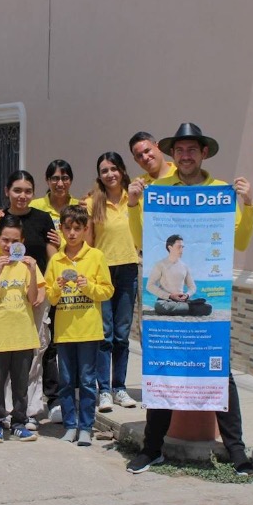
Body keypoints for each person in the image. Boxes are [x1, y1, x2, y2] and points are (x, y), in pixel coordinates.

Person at [125, 122, 253, 475]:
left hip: (206, 303)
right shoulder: (158, 189)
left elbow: (240, 242)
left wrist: (247, 203)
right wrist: (134, 204)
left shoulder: (219, 190)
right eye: (179, 150)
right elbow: (141, 239)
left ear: (204, 153)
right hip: (165, 308)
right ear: (173, 155)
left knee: (219, 371)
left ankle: (237, 451)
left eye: (192, 150)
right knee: (161, 369)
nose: (185, 156)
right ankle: (151, 449)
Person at [45, 205, 114, 447]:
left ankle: (86, 427)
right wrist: (58, 286)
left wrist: (87, 287)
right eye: (68, 228)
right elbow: (50, 297)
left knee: (86, 380)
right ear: (61, 229)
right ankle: (70, 426)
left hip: (88, 330)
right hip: (64, 332)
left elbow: (107, 291)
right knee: (66, 381)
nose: (72, 233)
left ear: (86, 229)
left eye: (77, 228)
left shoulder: (96, 256)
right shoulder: (56, 259)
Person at [0, 170, 58, 430]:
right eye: (17, 190)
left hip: (37, 294)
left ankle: (30, 409)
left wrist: (46, 290)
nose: (22, 196)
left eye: (27, 191)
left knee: (35, 352)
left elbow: (52, 258)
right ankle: (4, 407)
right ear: (7, 192)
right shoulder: (0, 218)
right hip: (5, 294)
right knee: (7, 352)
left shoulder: (43, 219)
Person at [0, 215, 44, 443]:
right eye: (5, 240)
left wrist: (34, 271)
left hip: (23, 335)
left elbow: (34, 299)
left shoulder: (28, 266)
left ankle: (19, 422)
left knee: (21, 385)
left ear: (22, 242)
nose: (9, 245)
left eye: (14, 241)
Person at [29, 159, 82, 423]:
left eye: (64, 177)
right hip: (43, 283)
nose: (59, 183)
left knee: (68, 340)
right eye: (54, 178)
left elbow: (85, 240)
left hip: (72, 283)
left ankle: (71, 394)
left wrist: (63, 242)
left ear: (71, 180)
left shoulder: (78, 208)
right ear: (47, 181)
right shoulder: (36, 206)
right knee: (46, 343)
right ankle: (52, 397)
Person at [88, 152, 140, 412]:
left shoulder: (135, 199)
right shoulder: (92, 203)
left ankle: (119, 387)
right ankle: (104, 391)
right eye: (104, 170)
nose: (110, 174)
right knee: (105, 335)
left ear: (122, 170)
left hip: (129, 270)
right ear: (99, 175)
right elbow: (87, 242)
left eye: (114, 169)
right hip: (103, 273)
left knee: (122, 335)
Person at [146, 234, 211, 317]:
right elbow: (149, 286)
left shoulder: (184, 266)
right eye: (179, 247)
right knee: (160, 306)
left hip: (182, 301)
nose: (181, 250)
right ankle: (189, 308)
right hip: (166, 300)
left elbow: (192, 287)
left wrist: (187, 295)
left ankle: (185, 307)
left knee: (208, 307)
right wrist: (170, 296)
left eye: (182, 247)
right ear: (170, 247)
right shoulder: (160, 265)